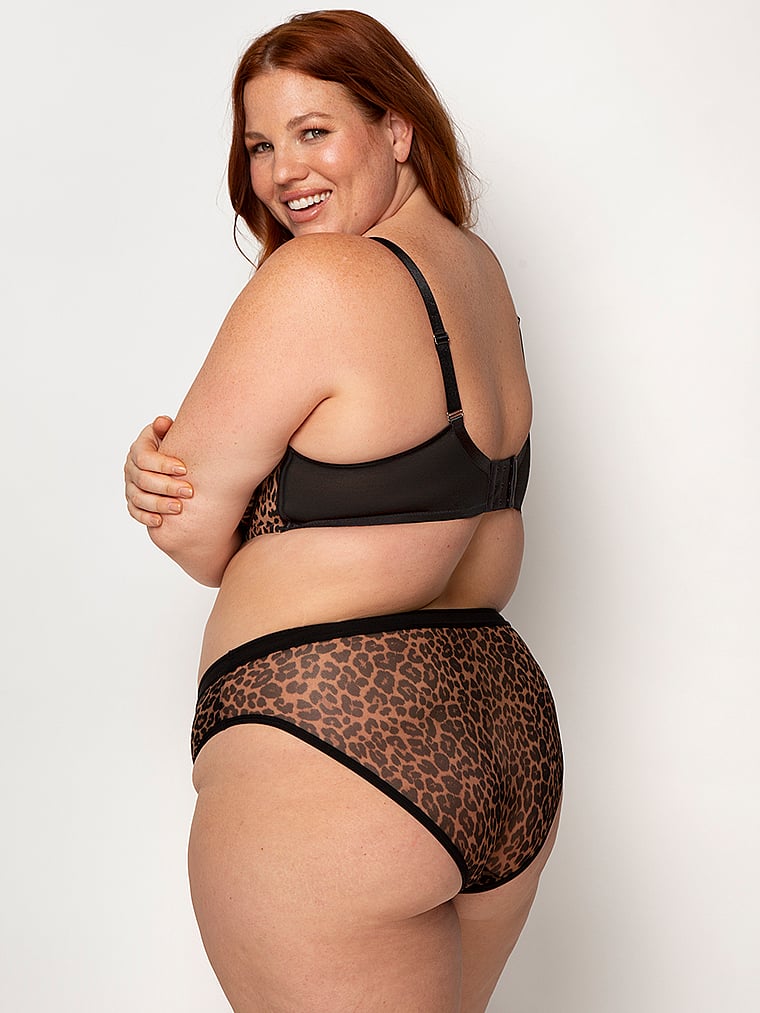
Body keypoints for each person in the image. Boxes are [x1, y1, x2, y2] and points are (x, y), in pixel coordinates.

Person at [124, 10, 563, 1012]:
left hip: (331, 741)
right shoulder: (478, 273)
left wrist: (157, 481)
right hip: (504, 730)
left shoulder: (319, 277)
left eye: (313, 131)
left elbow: (195, 532)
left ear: (396, 128)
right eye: (259, 145)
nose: (283, 172)